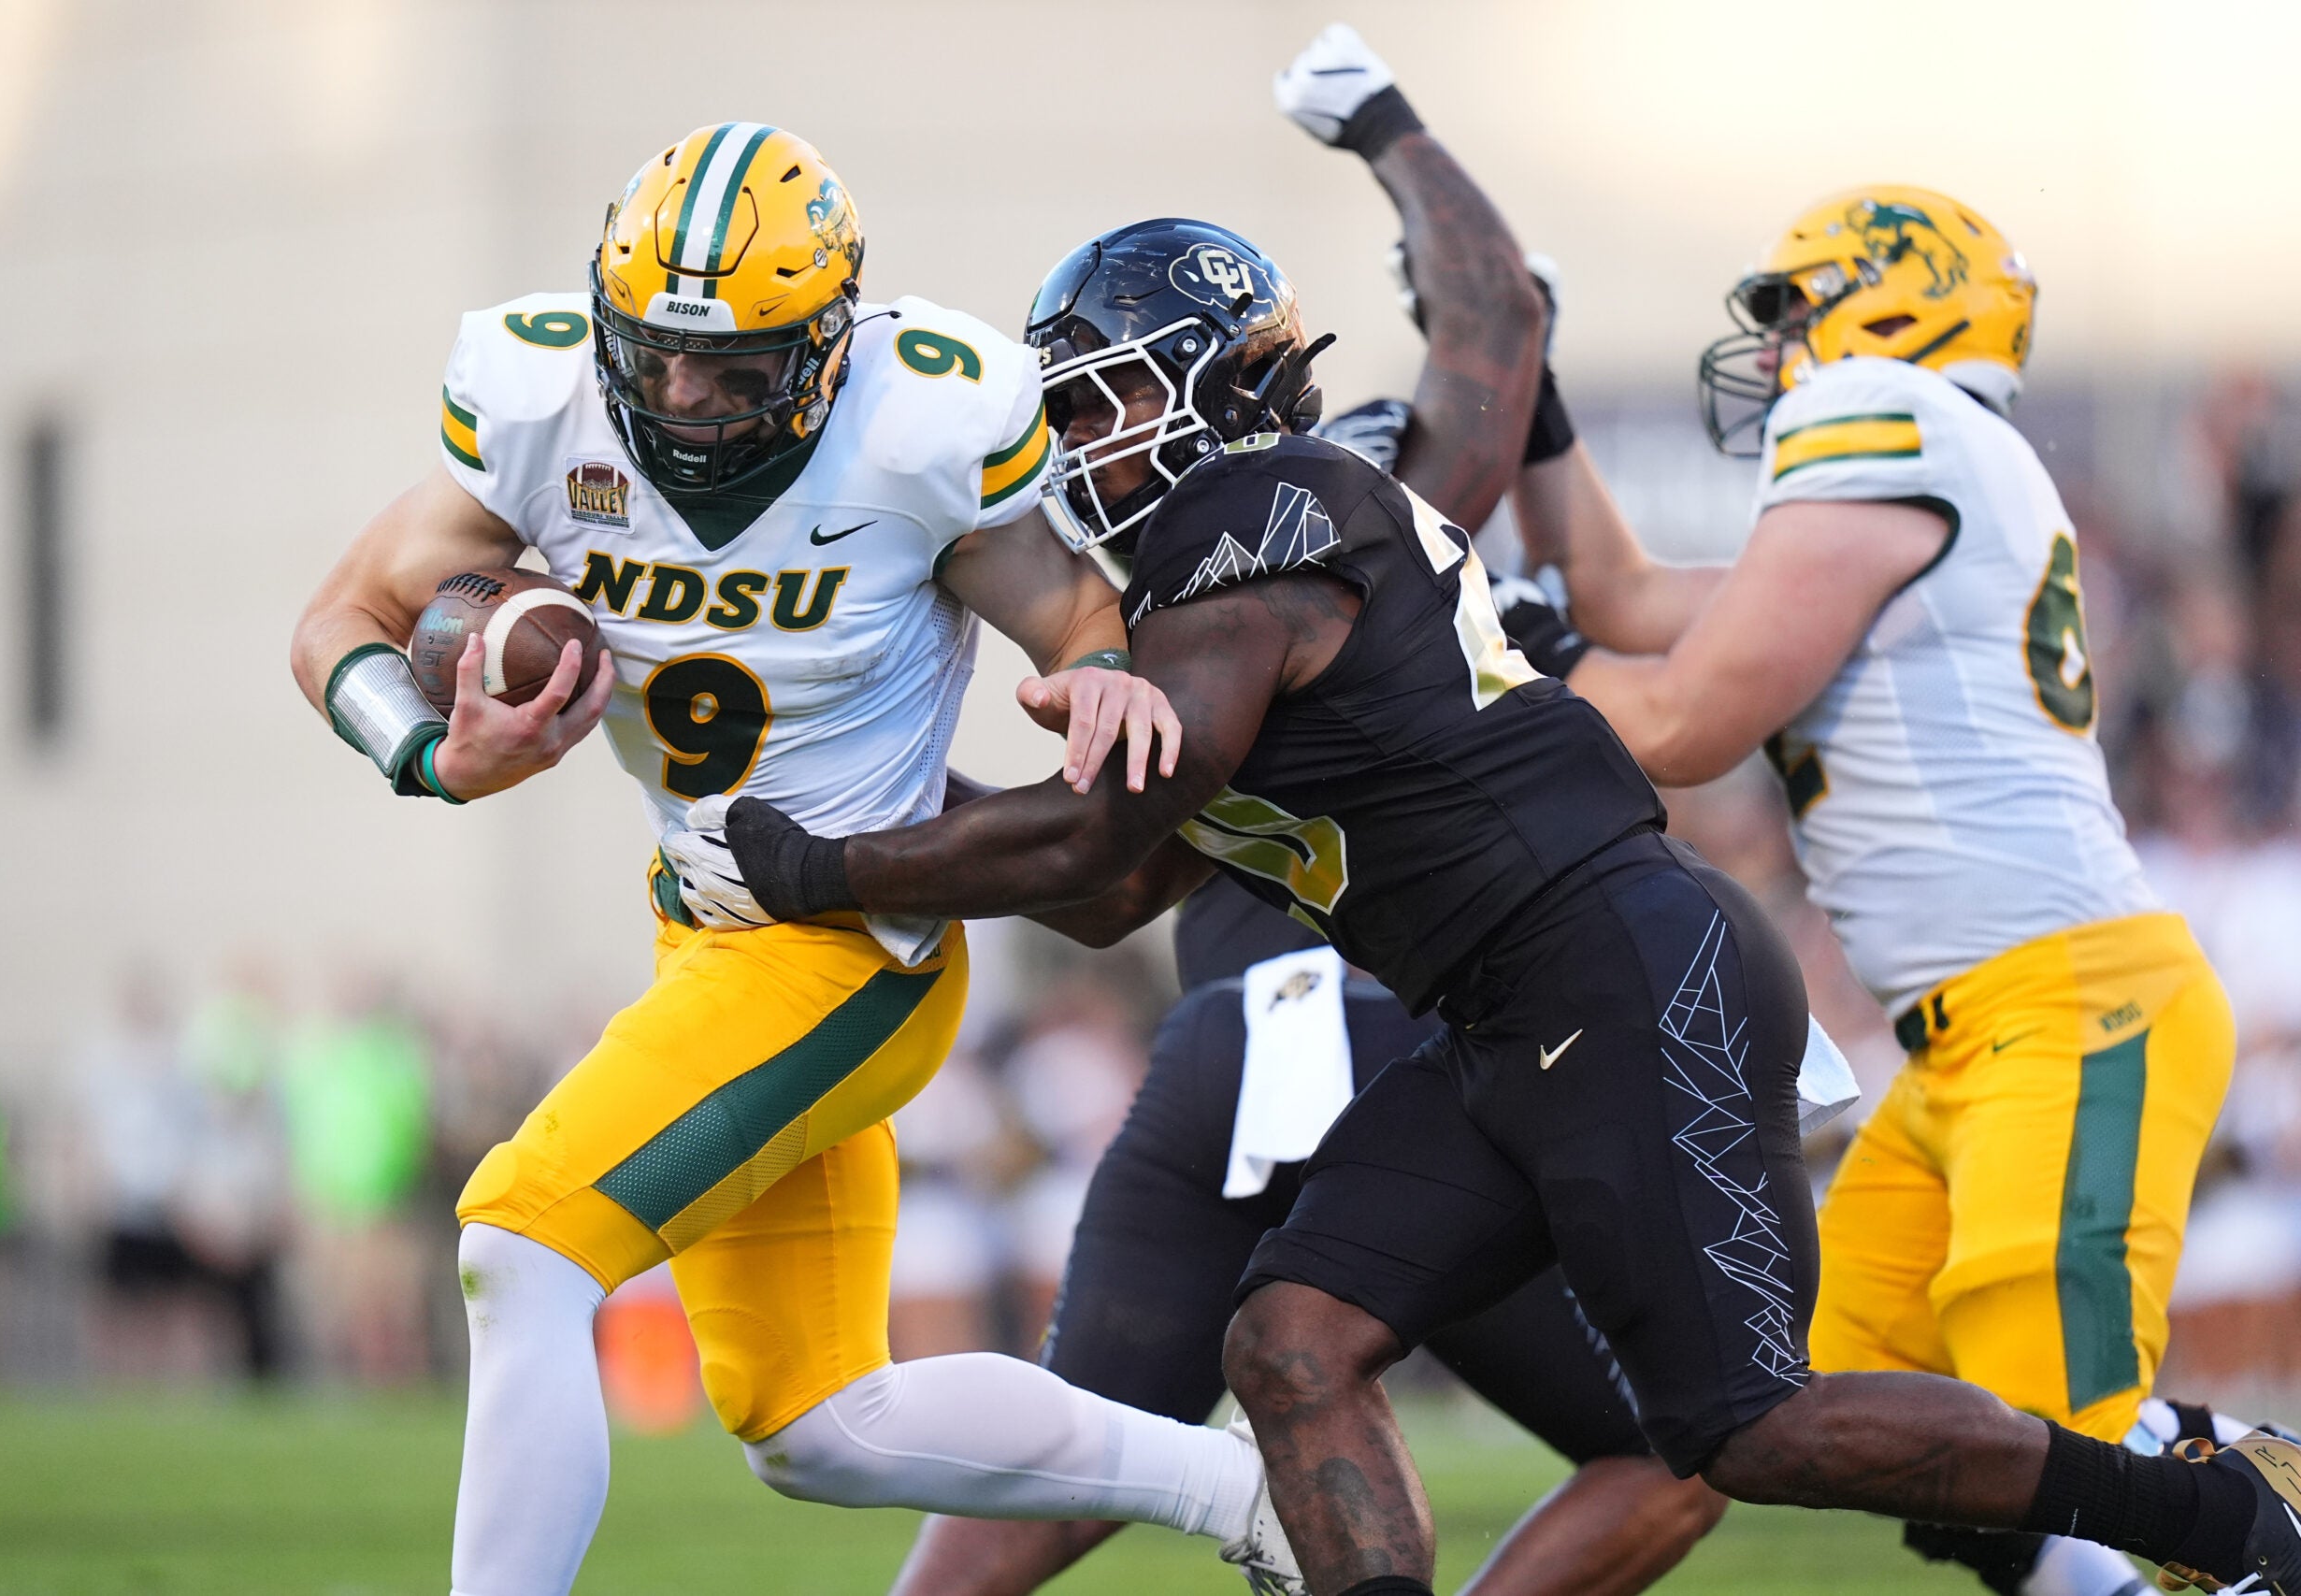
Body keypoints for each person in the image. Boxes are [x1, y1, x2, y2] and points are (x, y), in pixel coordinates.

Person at [683, 198, 2301, 1596]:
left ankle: (2215, 1504)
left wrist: (819, 862)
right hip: (1510, 1010)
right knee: (1292, 1342)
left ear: (1223, 384)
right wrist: (908, 813)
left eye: (1111, 403)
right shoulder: (1218, 571)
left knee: (1749, 1428)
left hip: (1616, 970)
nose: (1084, 445)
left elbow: (1097, 843)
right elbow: (1124, 891)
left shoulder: (1256, 518)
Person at [291, 123, 1311, 1596]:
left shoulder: (919, 429)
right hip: (701, 930)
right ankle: (1236, 1488)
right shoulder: (542, 398)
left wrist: (1094, 671)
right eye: (658, 356)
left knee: (518, 1243)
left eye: (739, 368)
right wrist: (428, 752)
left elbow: (1076, 616)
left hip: (853, 946)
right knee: (818, 1421)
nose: (689, 397)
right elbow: (339, 616)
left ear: (829, 345)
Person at [886, 30, 1722, 1595]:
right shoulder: (1340, 520)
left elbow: (1094, 884)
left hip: (1226, 1034)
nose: (1083, 443)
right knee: (1676, 1446)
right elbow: (1498, 318)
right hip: (1409, 1024)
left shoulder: (1198, 570)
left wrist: (862, 808)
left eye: (1112, 399)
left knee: (1082, 1443)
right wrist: (1389, 124)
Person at [1498, 185, 2245, 1596]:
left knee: (2063, 1447)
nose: (1776, 353)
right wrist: (1529, 395)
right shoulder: (1929, 468)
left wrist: (1497, 654)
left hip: (2069, 1008)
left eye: (1792, 313)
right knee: (1821, 1406)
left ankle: (2259, 1532)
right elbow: (1619, 594)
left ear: (1896, 303)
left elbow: (1685, 723)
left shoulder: (1891, 419)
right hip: (1966, 1040)